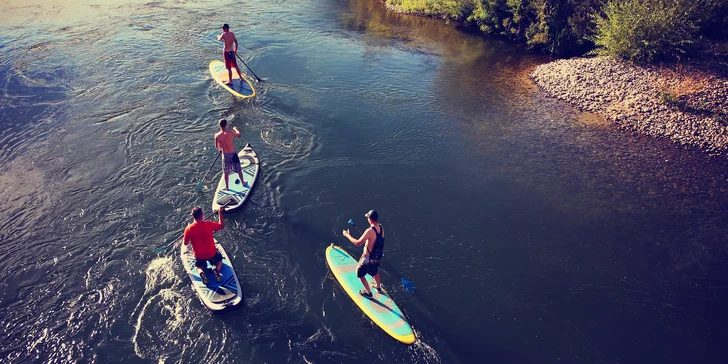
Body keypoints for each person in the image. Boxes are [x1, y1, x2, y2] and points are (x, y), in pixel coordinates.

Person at [343, 210, 385, 298]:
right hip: (376, 256)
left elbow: (358, 243)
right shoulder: (381, 227)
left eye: (367, 218)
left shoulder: (369, 231)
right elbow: (376, 240)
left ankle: (368, 293)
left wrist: (347, 235)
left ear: (370, 219)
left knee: (360, 274)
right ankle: (378, 287)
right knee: (375, 272)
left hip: (367, 258)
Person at [183, 206, 226, 284]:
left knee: (199, 266)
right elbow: (222, 226)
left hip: (199, 256)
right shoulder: (208, 224)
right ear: (202, 215)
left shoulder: (188, 229)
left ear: (193, 216)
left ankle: (201, 272)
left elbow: (185, 243)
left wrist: (187, 233)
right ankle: (217, 270)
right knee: (219, 262)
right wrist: (220, 213)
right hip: (212, 253)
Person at [214, 118, 247, 191]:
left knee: (226, 172)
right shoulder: (230, 132)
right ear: (226, 125)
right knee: (238, 169)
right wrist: (235, 129)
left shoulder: (217, 135)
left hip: (225, 155)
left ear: (219, 125)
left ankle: (227, 187)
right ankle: (243, 182)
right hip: (233, 154)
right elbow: (239, 135)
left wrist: (221, 149)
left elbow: (217, 146)